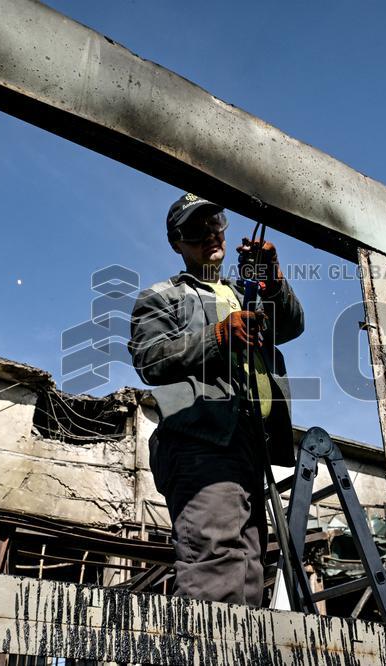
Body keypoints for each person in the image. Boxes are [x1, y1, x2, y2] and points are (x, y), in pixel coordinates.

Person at [128, 193, 305, 606]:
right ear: (176, 243)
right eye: (195, 230)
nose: (209, 235)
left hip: (248, 444)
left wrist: (272, 279)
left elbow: (292, 325)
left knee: (248, 569)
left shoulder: (244, 293)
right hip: (201, 439)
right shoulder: (163, 297)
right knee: (216, 564)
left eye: (216, 223)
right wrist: (219, 335)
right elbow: (150, 358)